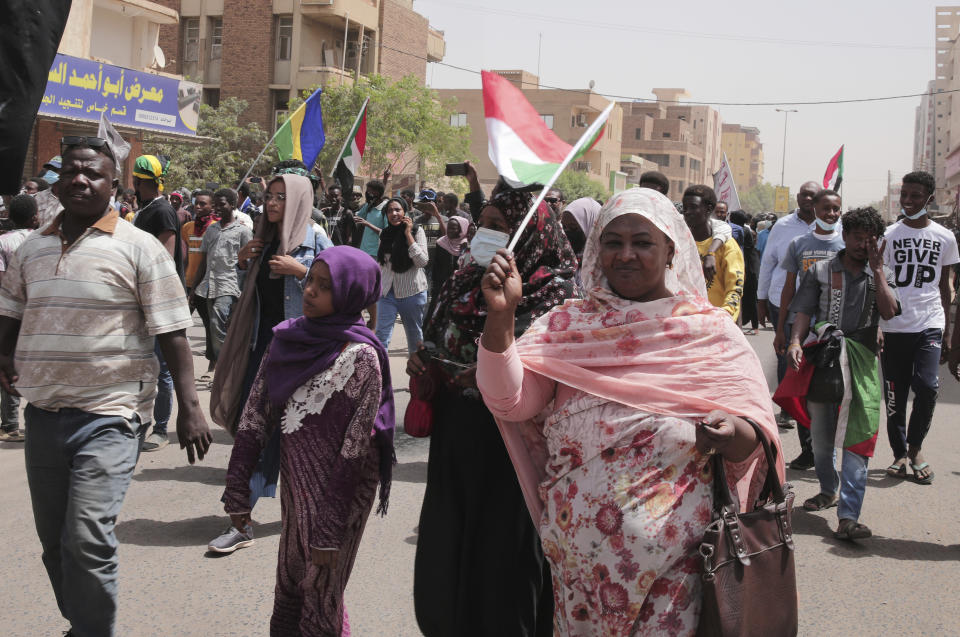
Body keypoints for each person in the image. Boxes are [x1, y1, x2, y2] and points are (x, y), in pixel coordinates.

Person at [476, 187, 783, 634]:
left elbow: (754, 438)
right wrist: (501, 320)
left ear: (670, 250)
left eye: (642, 242)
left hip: (677, 565)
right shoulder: (568, 326)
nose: (626, 255)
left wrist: (733, 430)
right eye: (613, 242)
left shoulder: (709, 332)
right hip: (578, 566)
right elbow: (508, 401)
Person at [0, 138, 211, 637]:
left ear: (113, 185)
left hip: (111, 416)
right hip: (44, 414)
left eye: (93, 174)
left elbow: (173, 332)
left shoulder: (139, 247)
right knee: (55, 544)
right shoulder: (31, 247)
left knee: (87, 536)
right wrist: (5, 354)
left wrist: (190, 406)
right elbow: (9, 313)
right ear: (57, 179)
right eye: (71, 171)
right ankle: (85, 624)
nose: (79, 180)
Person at [409, 187, 575, 637]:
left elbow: (550, 375)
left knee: (503, 562)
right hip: (457, 438)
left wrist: (491, 365)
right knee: (450, 548)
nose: (489, 234)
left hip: (513, 448)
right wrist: (427, 361)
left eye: (502, 226)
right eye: (485, 223)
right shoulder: (463, 278)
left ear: (533, 234)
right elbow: (437, 335)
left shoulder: (556, 296)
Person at [223, 246, 395, 636]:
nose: (310, 291)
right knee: (292, 585)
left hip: (343, 496)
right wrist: (237, 490)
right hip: (297, 490)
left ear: (352, 293)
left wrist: (331, 530)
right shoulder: (286, 339)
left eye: (325, 286)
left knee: (322, 593)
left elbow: (354, 453)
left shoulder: (362, 357)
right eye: (310, 281)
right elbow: (254, 416)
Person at [208, 173, 333, 553]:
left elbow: (345, 288)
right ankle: (241, 519)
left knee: (298, 438)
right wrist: (247, 262)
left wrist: (303, 272)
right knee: (252, 433)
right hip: (262, 350)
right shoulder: (261, 239)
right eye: (269, 196)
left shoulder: (316, 239)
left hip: (303, 355)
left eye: (281, 197)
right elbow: (259, 297)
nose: (272, 204)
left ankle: (310, 512)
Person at [788, 207, 899, 540]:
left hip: (863, 364)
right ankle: (827, 488)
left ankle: (848, 516)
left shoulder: (882, 273)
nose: (863, 243)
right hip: (825, 360)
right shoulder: (821, 271)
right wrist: (795, 341)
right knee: (821, 442)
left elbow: (890, 311)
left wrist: (878, 272)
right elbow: (804, 310)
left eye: (869, 237)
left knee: (857, 440)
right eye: (856, 236)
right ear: (845, 235)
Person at [880, 171, 958, 484]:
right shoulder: (888, 235)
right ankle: (899, 453)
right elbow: (879, 281)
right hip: (895, 326)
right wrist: (878, 325)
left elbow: (945, 288)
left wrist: (948, 335)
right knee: (895, 395)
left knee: (927, 387)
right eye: (905, 195)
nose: (909, 201)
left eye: (916, 196)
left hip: (930, 323)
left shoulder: (945, 237)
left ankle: (916, 448)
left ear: (929, 198)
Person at [757, 180, 821, 451]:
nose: (808, 199)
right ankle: (787, 404)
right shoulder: (782, 227)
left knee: (812, 359)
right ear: (797, 197)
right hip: (782, 301)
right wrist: (760, 299)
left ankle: (809, 409)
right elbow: (768, 263)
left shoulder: (833, 229)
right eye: (804, 194)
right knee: (785, 355)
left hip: (820, 307)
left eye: (813, 196)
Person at [132, 154, 184, 452]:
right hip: (140, 302)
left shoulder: (162, 211)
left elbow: (164, 258)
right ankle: (140, 421)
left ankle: (161, 429)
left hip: (159, 302)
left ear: (138, 182)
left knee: (163, 370)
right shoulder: (147, 209)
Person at [774, 190, 844, 367]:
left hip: (833, 326)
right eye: (825, 208)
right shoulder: (798, 244)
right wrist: (781, 328)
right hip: (800, 323)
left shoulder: (845, 245)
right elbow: (789, 287)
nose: (830, 214)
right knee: (795, 379)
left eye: (836, 209)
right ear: (814, 209)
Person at [190, 189, 253, 365]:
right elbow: (203, 262)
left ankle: (229, 364)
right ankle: (221, 365)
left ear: (232, 205)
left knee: (218, 322)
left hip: (230, 285)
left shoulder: (243, 232)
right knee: (213, 326)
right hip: (209, 285)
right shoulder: (211, 230)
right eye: (215, 205)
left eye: (222, 204)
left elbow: (249, 264)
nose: (217, 208)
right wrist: (194, 288)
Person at [0, 195, 38, 442]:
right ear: (35, 216)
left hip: (11, 311)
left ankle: (11, 423)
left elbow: (3, 279)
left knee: (10, 362)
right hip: (38, 310)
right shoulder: (42, 239)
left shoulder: (4, 242)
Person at [375, 197, 429, 353]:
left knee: (415, 337)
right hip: (387, 293)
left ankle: (417, 374)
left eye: (397, 210)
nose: (394, 213)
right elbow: (382, 264)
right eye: (390, 210)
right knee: (381, 336)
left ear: (404, 211)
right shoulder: (384, 234)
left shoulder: (417, 231)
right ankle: (378, 374)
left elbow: (422, 261)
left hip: (412, 292)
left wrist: (408, 235)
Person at [683, 185, 744, 320]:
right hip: (683, 322)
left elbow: (735, 288)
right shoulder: (678, 242)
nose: (687, 212)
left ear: (709, 209)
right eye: (685, 208)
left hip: (716, 323)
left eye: (693, 207)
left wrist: (725, 315)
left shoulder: (727, 246)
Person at [182, 190, 218, 375]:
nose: (198, 206)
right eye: (196, 203)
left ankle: (212, 364)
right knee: (179, 324)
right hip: (188, 283)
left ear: (212, 206)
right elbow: (185, 256)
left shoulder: (216, 228)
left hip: (206, 285)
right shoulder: (187, 227)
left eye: (203, 204)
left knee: (209, 325)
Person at [732, 209, 761, 333]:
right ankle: (755, 326)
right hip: (751, 268)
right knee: (751, 298)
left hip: (745, 269)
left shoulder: (739, 231)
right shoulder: (748, 231)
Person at [430, 215, 469, 301]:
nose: (449, 231)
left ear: (462, 230)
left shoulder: (467, 246)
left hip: (458, 288)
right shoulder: (441, 243)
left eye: (453, 228)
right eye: (449, 228)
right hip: (440, 286)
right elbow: (436, 266)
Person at [355, 180, 388, 258]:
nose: (368, 193)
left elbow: (386, 233)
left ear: (378, 192)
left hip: (376, 252)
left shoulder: (386, 208)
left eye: (370, 191)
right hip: (364, 250)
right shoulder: (369, 205)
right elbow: (357, 217)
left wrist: (367, 224)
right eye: (367, 191)